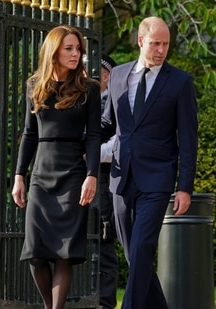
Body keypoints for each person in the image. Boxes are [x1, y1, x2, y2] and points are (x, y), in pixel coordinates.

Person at [100, 16, 198, 309]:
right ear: (141, 41)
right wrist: (79, 141)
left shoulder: (180, 82)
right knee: (134, 254)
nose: (161, 50)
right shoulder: (117, 75)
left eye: (166, 44)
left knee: (143, 247)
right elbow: (107, 123)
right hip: (120, 177)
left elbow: (189, 140)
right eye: (156, 43)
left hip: (157, 179)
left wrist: (185, 187)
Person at [11, 25, 101, 309]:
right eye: (69, 49)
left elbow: (95, 136)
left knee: (64, 252)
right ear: (54, 51)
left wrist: (92, 175)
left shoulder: (89, 89)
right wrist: (19, 176)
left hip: (73, 174)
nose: (76, 54)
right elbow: (29, 134)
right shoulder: (34, 85)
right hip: (41, 174)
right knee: (36, 253)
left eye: (78, 50)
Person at [92, 53, 118, 309]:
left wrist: (87, 153)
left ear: (107, 75)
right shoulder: (80, 99)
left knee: (103, 239)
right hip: (76, 177)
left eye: (95, 71)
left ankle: (104, 304)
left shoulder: (117, 101)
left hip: (103, 179)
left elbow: (117, 145)